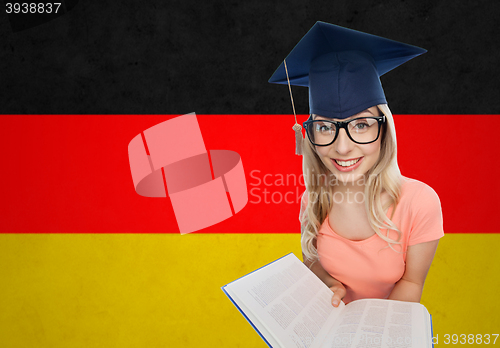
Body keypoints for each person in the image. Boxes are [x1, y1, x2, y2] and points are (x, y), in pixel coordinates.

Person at [269, 22, 444, 307]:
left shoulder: (419, 202)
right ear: (310, 135)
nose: (342, 147)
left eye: (361, 125)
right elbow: (312, 261)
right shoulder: (313, 200)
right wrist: (327, 283)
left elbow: (412, 284)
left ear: (384, 129)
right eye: (325, 127)